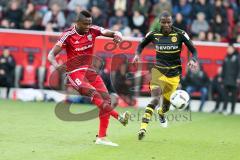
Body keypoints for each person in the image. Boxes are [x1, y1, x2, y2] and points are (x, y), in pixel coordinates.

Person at [48, 10, 130, 147]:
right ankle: (119, 117)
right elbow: (51, 55)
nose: (88, 26)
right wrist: (57, 67)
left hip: (90, 71)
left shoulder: (93, 30)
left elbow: (111, 33)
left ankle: (102, 138)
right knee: (95, 94)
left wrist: (118, 34)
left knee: (107, 98)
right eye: (85, 24)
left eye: (90, 23)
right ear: (77, 23)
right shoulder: (67, 35)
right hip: (74, 73)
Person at [133, 11, 198, 140]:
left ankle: (161, 114)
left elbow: (193, 50)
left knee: (166, 106)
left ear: (172, 22)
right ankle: (142, 129)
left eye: (169, 22)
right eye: (164, 22)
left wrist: (193, 59)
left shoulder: (180, 34)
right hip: (158, 72)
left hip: (174, 76)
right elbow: (141, 45)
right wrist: (137, 54)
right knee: (155, 99)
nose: (166, 24)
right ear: (160, 22)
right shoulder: (153, 34)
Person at [221, 43, 240, 115]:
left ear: (233, 49)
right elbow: (223, 68)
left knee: (233, 97)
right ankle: (224, 109)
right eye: (227, 48)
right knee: (225, 96)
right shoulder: (226, 57)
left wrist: (238, 77)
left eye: (229, 48)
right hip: (226, 79)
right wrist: (222, 77)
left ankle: (232, 110)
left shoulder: (237, 57)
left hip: (234, 80)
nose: (228, 50)